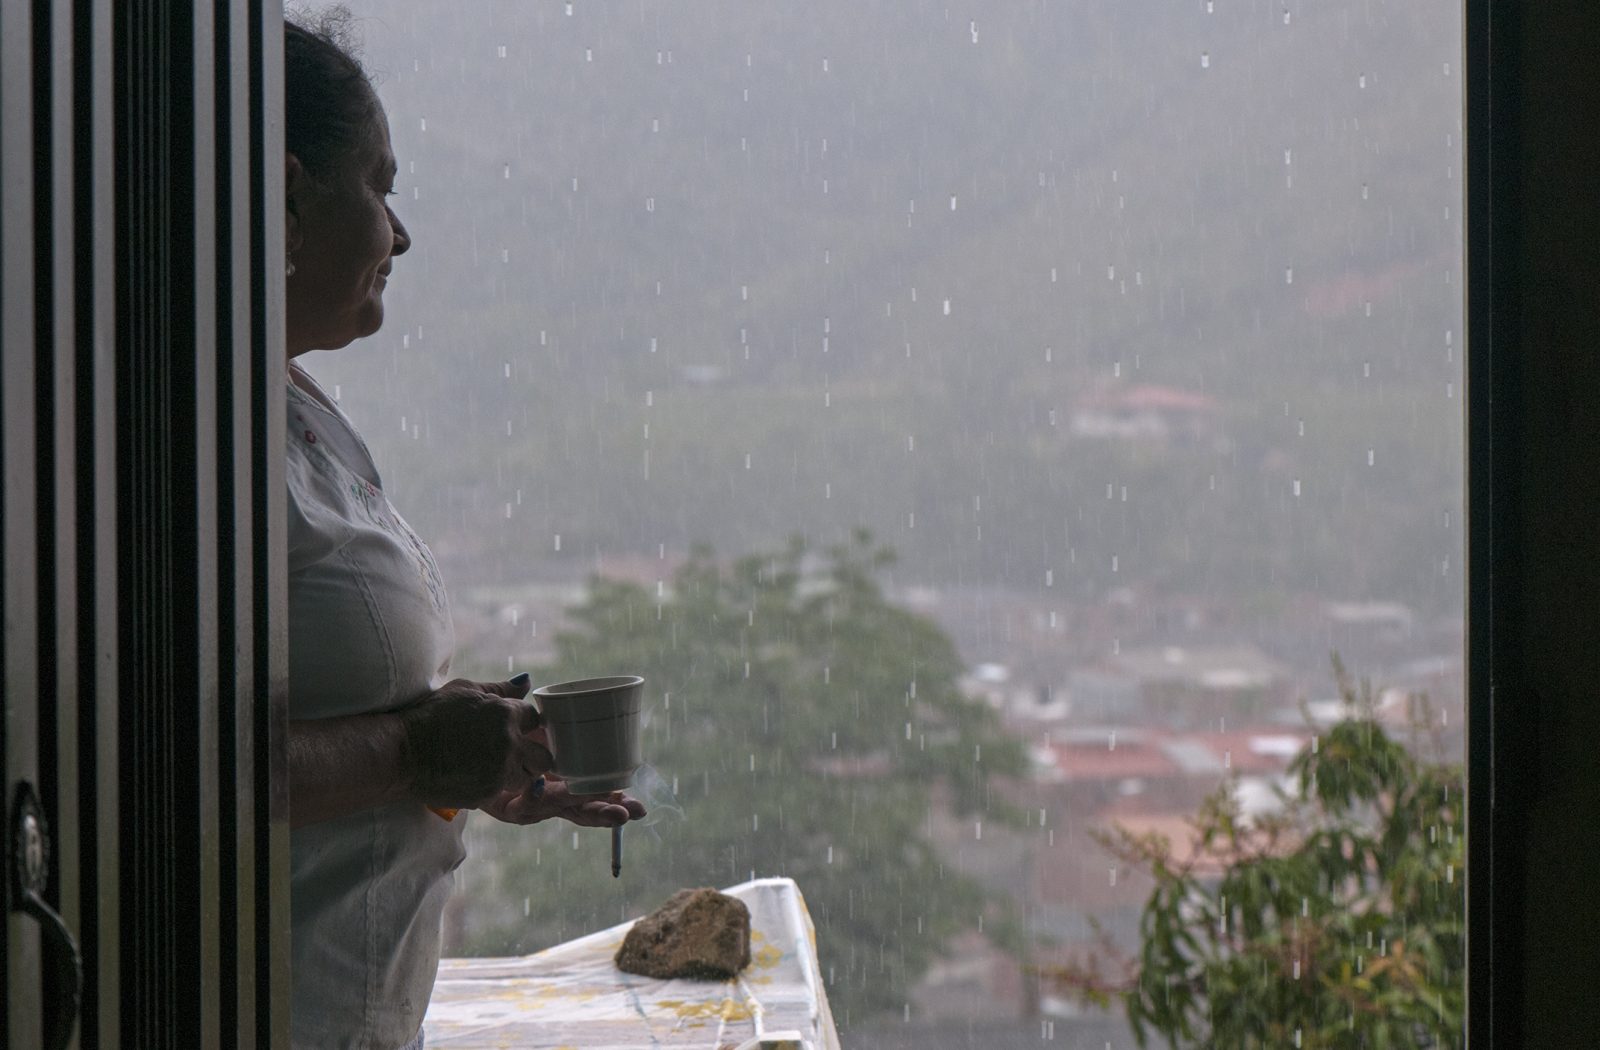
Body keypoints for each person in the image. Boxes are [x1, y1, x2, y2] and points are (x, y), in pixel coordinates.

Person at [281, 16, 646, 1050]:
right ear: (288, 199)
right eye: (378, 187)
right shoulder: (172, 450)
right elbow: (157, 763)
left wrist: (473, 756)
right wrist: (413, 753)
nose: (398, 236)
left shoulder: (298, 408)